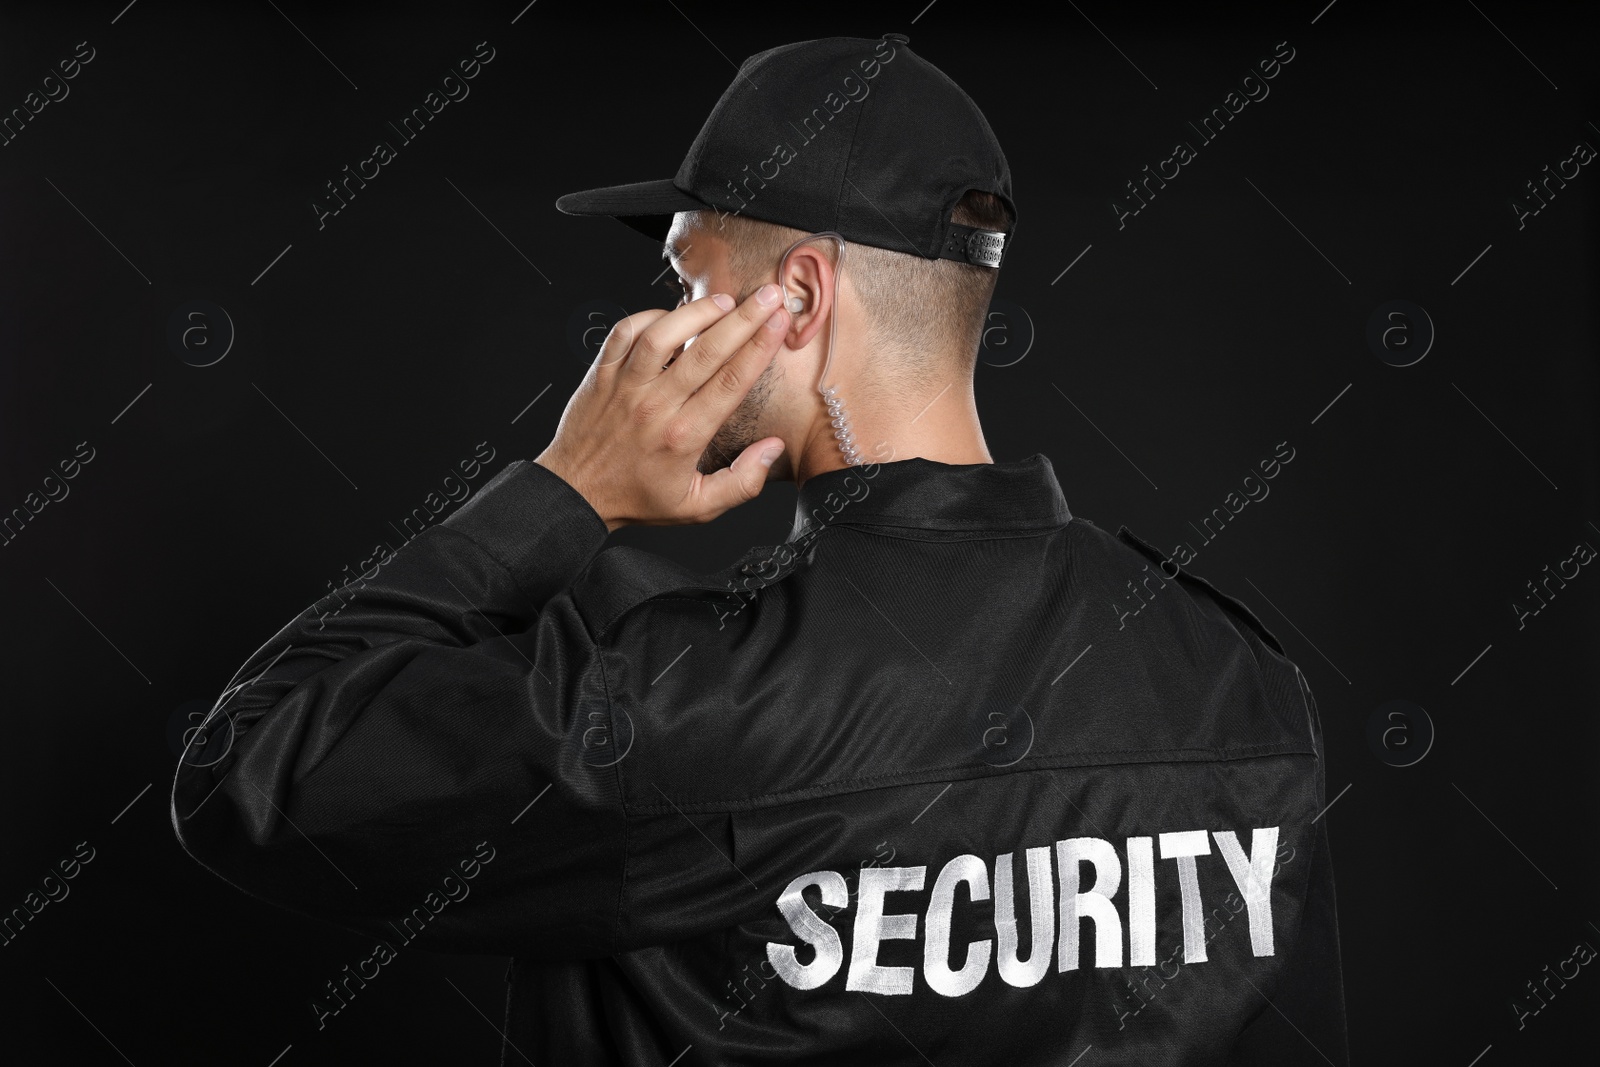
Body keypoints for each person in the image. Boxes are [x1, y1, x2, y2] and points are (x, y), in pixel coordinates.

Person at [171, 33, 1350, 1066]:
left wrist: (563, 491)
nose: (660, 324)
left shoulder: (678, 705)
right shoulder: (1242, 681)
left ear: (796, 299)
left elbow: (251, 765)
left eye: (687, 276)